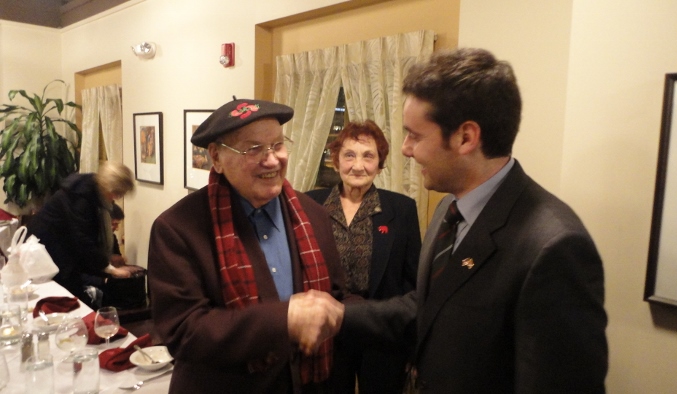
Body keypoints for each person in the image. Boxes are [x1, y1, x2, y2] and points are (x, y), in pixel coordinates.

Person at [341, 48, 608, 393]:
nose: (406, 149)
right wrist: (337, 316)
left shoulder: (554, 247)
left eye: (416, 135)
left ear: (466, 137)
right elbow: (429, 308)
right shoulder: (448, 210)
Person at [148, 98, 347, 393]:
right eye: (253, 148)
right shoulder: (177, 229)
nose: (272, 159)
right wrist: (285, 319)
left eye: (277, 145)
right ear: (216, 157)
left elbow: (336, 296)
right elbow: (183, 332)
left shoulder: (313, 215)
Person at [306, 120, 420, 393]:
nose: (358, 165)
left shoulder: (402, 209)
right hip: (327, 331)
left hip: (380, 330)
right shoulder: (310, 204)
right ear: (335, 161)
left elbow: (412, 281)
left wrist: (412, 344)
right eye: (349, 155)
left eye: (368, 156)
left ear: (380, 164)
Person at [27, 162, 137, 308]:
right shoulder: (80, 198)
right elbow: (83, 240)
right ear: (110, 188)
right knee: (68, 297)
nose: (115, 199)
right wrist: (111, 269)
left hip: (59, 245)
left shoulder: (92, 186)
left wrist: (109, 258)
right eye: (117, 194)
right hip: (46, 247)